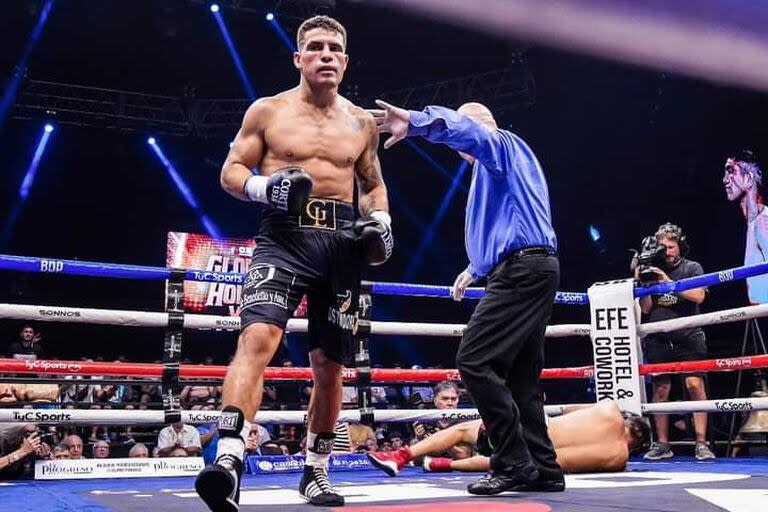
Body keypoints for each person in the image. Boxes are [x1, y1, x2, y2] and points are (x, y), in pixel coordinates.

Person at [195, 15, 392, 511]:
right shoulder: (267, 111)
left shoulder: (361, 122)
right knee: (257, 338)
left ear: (344, 63)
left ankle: (316, 471)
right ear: (298, 58)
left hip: (342, 244)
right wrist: (267, 187)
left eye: (335, 49)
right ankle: (229, 458)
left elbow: (371, 183)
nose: (326, 55)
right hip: (283, 237)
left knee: (330, 367)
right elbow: (230, 172)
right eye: (316, 47)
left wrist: (382, 222)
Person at [372, 100, 561, 494]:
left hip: (522, 271)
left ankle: (512, 462)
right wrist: (474, 269)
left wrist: (417, 122)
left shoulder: (499, 145)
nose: (460, 146)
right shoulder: (501, 168)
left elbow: (471, 132)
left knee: (474, 360)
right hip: (532, 268)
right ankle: (544, 468)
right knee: (522, 378)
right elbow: (511, 223)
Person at [368, 401, 651, 478]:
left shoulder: (610, 408)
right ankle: (439, 465)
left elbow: (562, 412)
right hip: (530, 455)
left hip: (525, 427)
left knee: (461, 431)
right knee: (499, 462)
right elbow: (560, 463)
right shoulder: (618, 459)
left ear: (629, 421)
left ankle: (402, 456)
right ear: (636, 444)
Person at [636, 223, 715, 461]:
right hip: (659, 337)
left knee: (694, 385)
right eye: (663, 247)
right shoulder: (652, 269)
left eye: (671, 246)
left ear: (679, 246)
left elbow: (699, 295)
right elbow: (646, 308)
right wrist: (644, 284)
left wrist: (667, 281)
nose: (668, 251)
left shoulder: (692, 267)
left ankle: (701, 442)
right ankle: (662, 443)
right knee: (660, 389)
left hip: (688, 336)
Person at [723, 150, 768, 304]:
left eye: (731, 171)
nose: (725, 180)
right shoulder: (752, 222)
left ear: (748, 178)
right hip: (758, 313)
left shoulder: (763, 221)